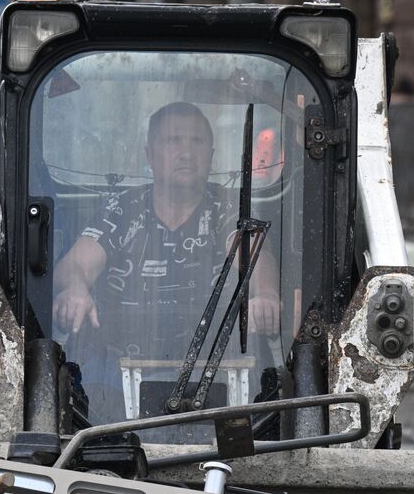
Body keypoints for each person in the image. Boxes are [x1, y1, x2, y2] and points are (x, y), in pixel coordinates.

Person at [52, 101, 282, 419]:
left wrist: (265, 294)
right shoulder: (123, 210)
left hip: (218, 370)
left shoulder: (228, 208)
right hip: (113, 373)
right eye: (174, 141)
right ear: (150, 155)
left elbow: (255, 255)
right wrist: (75, 290)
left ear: (211, 155)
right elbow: (74, 265)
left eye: (197, 142)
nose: (186, 152)